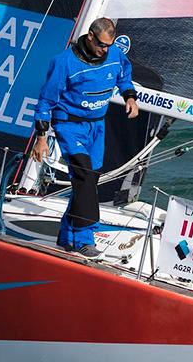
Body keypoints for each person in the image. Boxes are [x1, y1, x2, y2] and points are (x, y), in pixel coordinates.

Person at [30, 18, 139, 258]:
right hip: (69, 125)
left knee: (87, 182)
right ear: (90, 36)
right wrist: (40, 138)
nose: (105, 50)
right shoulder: (64, 62)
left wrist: (130, 97)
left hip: (97, 126)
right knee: (85, 176)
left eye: (109, 45)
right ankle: (85, 237)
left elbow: (124, 76)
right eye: (102, 44)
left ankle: (67, 235)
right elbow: (46, 102)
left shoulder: (115, 54)